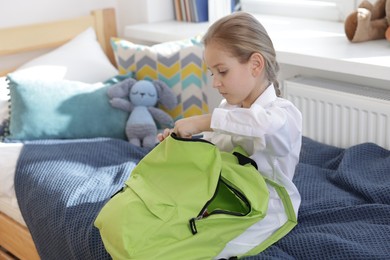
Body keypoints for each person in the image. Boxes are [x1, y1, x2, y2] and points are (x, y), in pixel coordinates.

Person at [157, 11, 302, 258]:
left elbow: (259, 125)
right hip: (225, 195)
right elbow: (215, 149)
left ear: (256, 64)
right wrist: (184, 142)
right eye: (212, 73)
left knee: (203, 250)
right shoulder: (229, 110)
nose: (215, 83)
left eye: (222, 71)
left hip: (268, 208)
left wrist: (203, 121)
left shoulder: (282, 114)